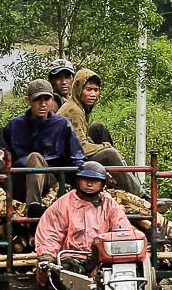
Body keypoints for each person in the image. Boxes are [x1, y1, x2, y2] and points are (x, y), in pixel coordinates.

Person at [33, 160, 138, 290]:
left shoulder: (109, 204)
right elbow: (50, 233)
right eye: (85, 179)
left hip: (102, 260)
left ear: (102, 183)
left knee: (123, 278)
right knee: (65, 274)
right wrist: (47, 256)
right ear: (78, 181)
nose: (89, 184)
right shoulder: (64, 204)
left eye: (94, 180)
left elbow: (121, 230)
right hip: (72, 258)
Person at [0, 79, 83, 208]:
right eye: (37, 100)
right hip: (19, 180)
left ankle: (33, 207)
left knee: (34, 157)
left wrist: (83, 177)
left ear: (52, 100)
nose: (43, 104)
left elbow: (77, 157)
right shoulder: (15, 125)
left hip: (49, 182)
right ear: (28, 101)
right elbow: (4, 147)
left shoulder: (62, 124)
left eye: (47, 99)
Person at [58, 67, 141, 195]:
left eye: (96, 90)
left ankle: (123, 185)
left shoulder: (79, 107)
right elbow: (81, 148)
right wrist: (103, 146)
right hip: (66, 164)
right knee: (110, 154)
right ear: (79, 90)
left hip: (72, 158)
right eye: (88, 89)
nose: (93, 94)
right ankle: (141, 195)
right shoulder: (73, 110)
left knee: (98, 130)